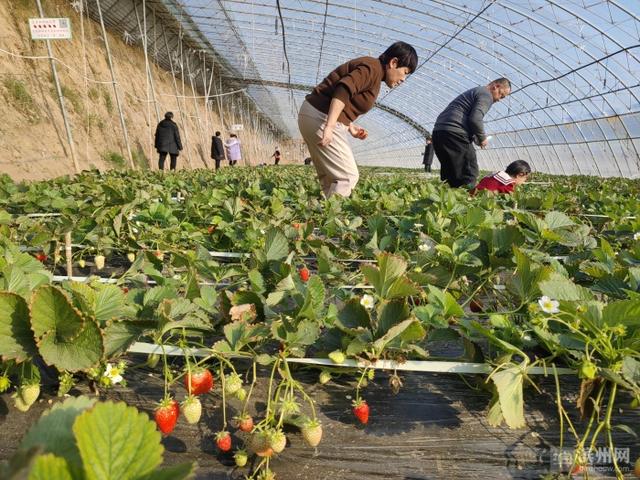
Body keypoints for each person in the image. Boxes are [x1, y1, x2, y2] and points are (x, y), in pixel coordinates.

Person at [298, 41, 418, 198]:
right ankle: (331, 213)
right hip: (320, 116)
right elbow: (343, 90)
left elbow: (345, 100)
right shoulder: (372, 68)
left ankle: (318, 211)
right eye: (405, 72)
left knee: (331, 179)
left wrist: (350, 126)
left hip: (313, 114)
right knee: (347, 177)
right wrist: (330, 126)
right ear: (393, 63)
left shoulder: (374, 71)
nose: (403, 79)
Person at [432, 78, 511, 188]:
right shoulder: (486, 94)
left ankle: (447, 195)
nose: (499, 99)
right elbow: (475, 119)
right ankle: (467, 197)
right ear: (496, 86)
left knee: (450, 172)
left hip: (439, 132)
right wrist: (482, 138)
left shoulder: (476, 91)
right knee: (469, 173)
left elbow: (466, 118)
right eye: (501, 95)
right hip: (455, 134)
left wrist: (474, 137)